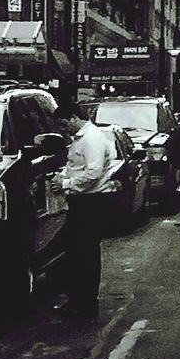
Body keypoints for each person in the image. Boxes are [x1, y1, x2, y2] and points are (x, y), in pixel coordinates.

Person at [52, 102, 115, 320]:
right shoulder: (84, 139)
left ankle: (86, 303)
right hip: (83, 202)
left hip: (91, 202)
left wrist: (67, 184)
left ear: (73, 118)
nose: (63, 129)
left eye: (63, 124)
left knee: (85, 253)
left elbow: (93, 172)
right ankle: (79, 299)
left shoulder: (91, 139)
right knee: (76, 251)